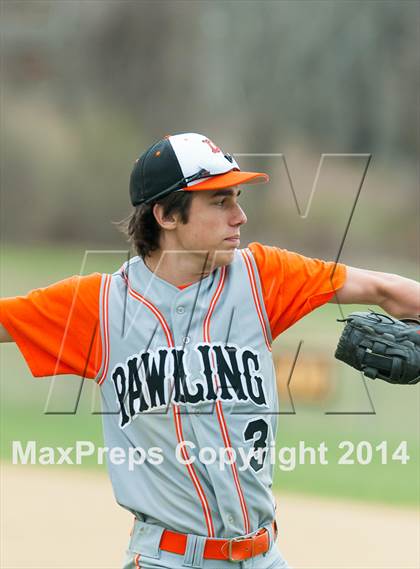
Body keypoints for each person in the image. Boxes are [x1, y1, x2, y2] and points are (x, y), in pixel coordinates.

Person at [0, 132, 419, 569]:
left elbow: (385, 289)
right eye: (219, 202)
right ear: (165, 214)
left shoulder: (263, 278)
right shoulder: (99, 307)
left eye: (236, 198)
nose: (239, 216)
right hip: (167, 559)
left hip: (263, 557)